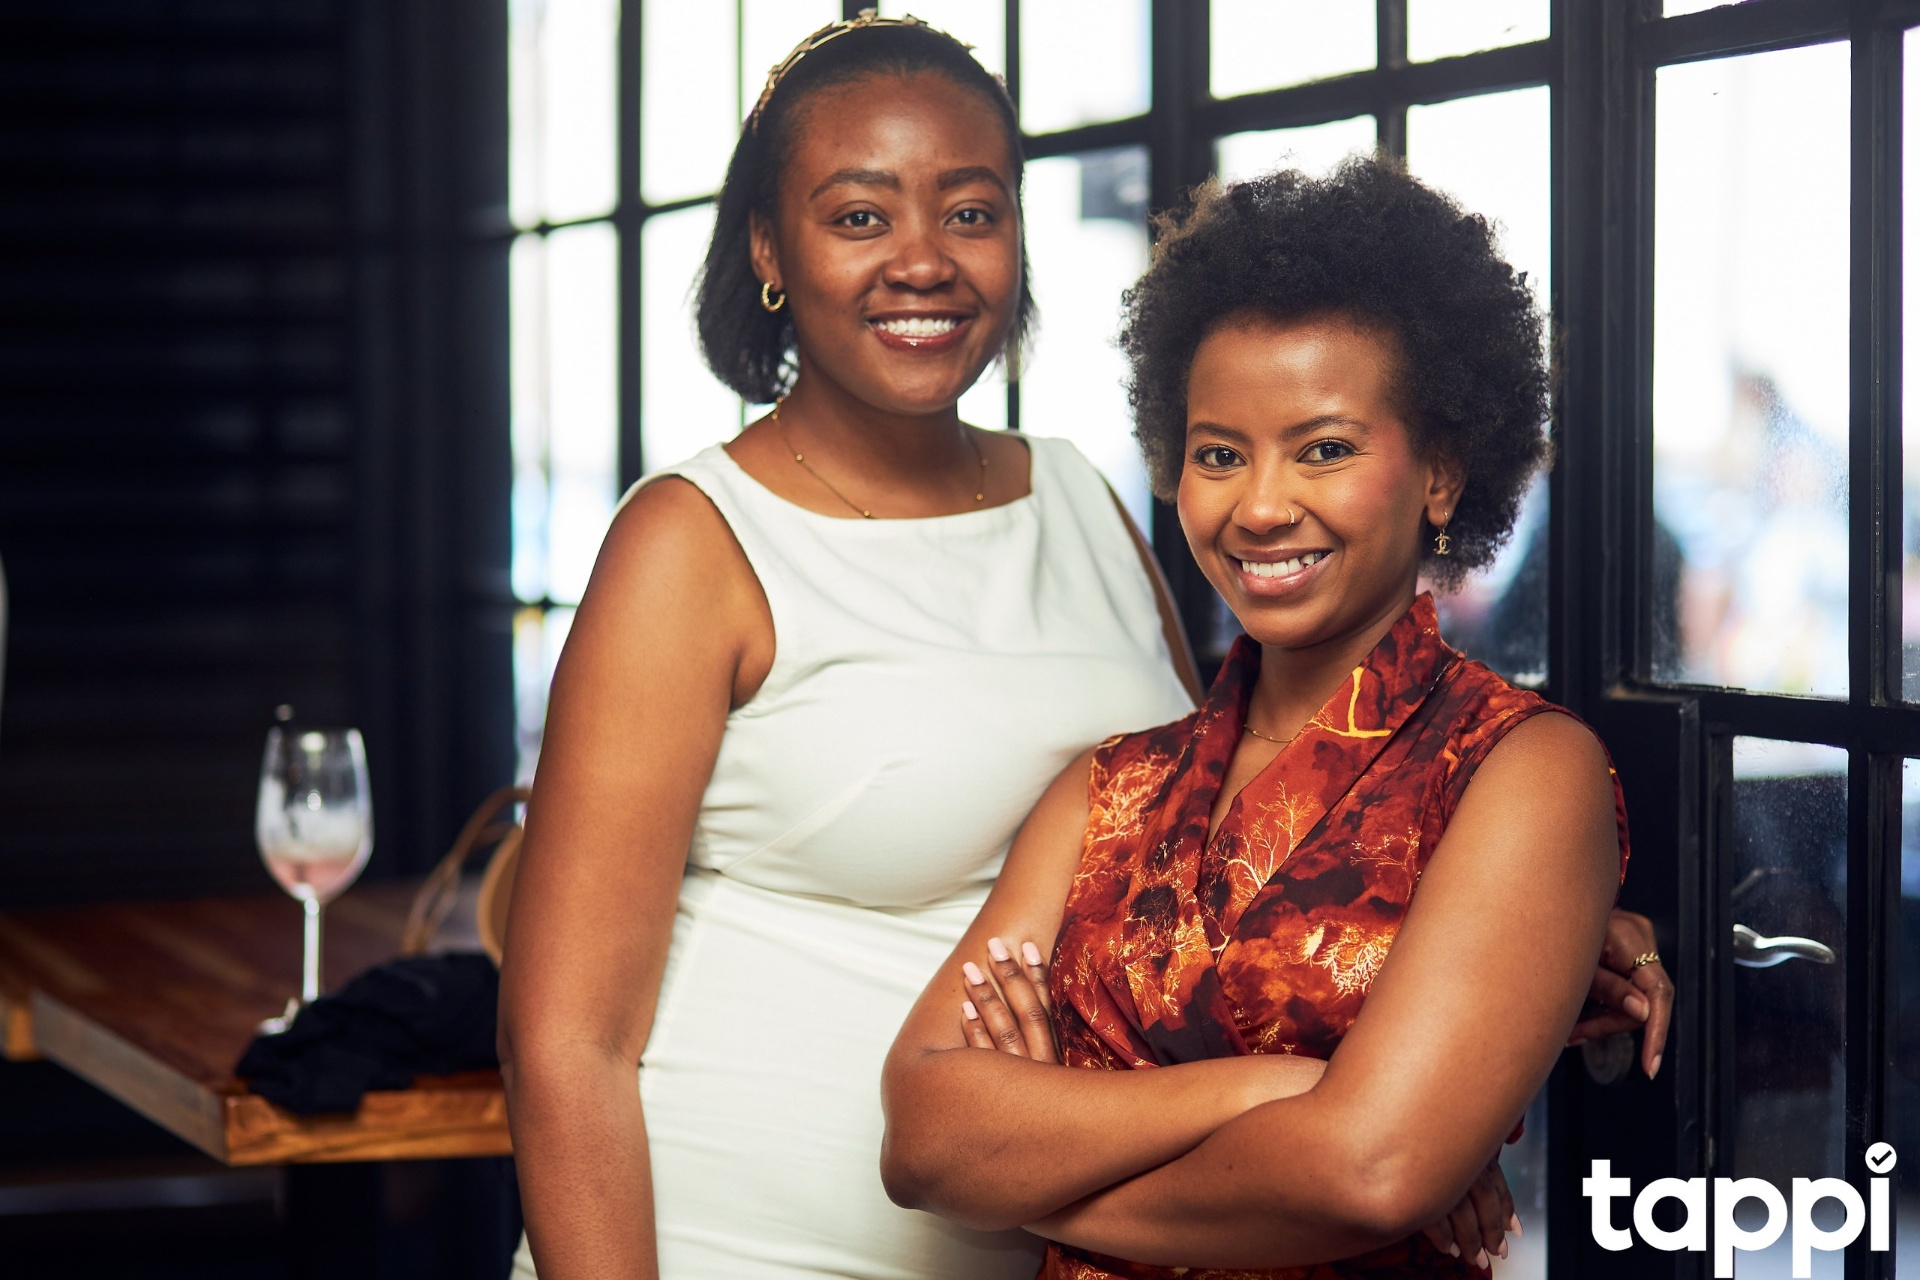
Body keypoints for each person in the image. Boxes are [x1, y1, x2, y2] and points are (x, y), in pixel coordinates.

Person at [499, 12, 1671, 1279]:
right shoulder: (692, 541)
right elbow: (568, 1037)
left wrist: (1507, 938)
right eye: (857, 216)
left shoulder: (1080, 502)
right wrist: (1291, 1094)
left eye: (970, 209)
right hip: (734, 1242)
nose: (922, 261)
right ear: (770, 251)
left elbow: (1244, 865)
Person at [881, 160, 1652, 1279]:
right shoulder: (1109, 788)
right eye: (1219, 453)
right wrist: (1280, 1086)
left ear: (1439, 470)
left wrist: (1048, 1160)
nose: (1259, 504)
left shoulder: (1520, 770)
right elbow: (922, 1134)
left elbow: (1371, 1170)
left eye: (1324, 447)